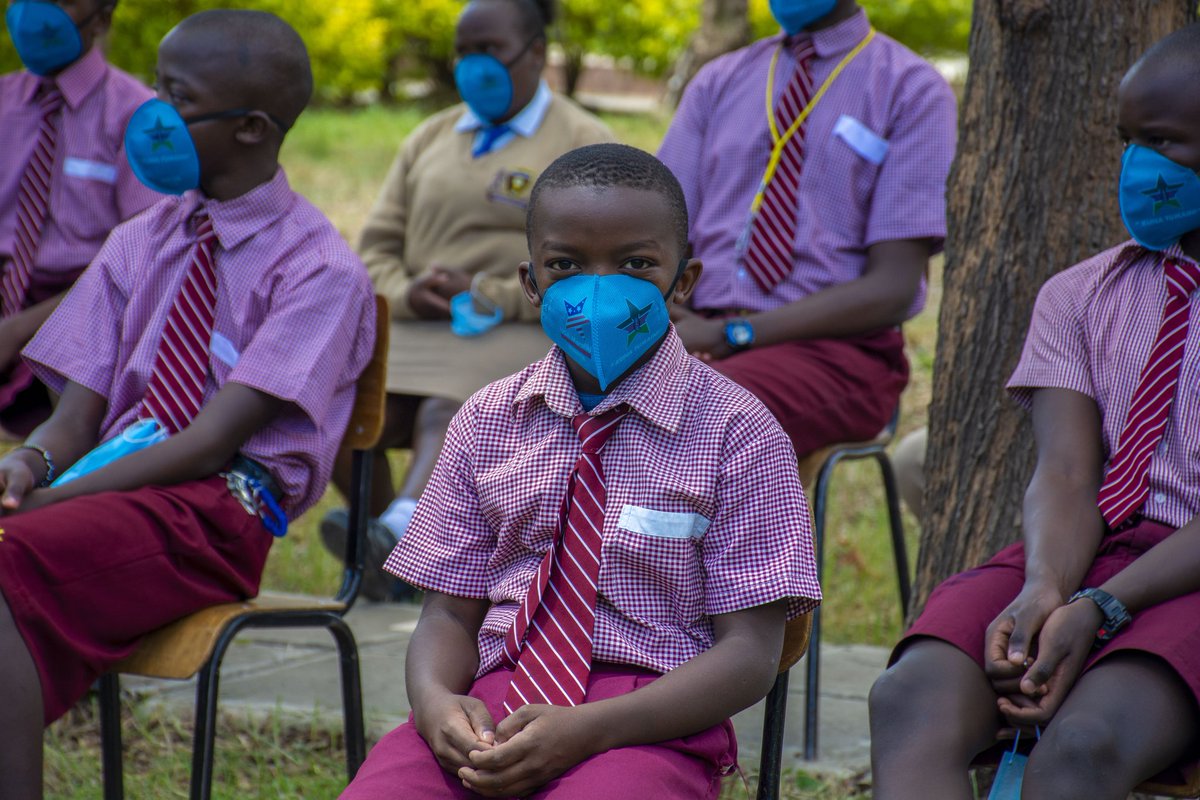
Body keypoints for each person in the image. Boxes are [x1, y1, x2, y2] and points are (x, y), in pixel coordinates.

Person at [338, 143, 820, 799]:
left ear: (683, 281)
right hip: (495, 700)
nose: (599, 288)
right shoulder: (486, 421)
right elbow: (448, 615)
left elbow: (750, 655)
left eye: (635, 264)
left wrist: (589, 729)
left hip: (651, 719)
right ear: (531, 282)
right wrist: (434, 705)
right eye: (566, 264)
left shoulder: (739, 433)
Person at [0, 10, 375, 798]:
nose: (150, 116)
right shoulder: (140, 239)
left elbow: (209, 444)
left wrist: (54, 503)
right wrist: (28, 468)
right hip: (116, 487)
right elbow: (77, 415)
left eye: (175, 97)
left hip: (213, 512)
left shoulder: (319, 271)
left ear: (250, 128)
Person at [869, 24, 1200, 799]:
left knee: (1083, 743)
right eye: (1127, 139)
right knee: (910, 695)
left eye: (1162, 140)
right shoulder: (1082, 294)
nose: (1135, 164)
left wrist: (1106, 607)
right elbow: (1067, 470)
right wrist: (1047, 589)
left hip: (1181, 574)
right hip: (1090, 551)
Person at [318, 0, 615, 603]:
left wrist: (494, 294)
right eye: (464, 51)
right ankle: (389, 552)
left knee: (440, 410)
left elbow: (596, 268)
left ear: (536, 53)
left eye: (492, 51)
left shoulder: (584, 143)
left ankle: (403, 536)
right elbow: (373, 249)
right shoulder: (429, 136)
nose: (475, 67)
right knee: (338, 407)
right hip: (418, 324)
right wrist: (408, 293)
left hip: (521, 325)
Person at [657, 0, 956, 458]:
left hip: (835, 352)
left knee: (694, 412)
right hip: (697, 330)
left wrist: (735, 335)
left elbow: (894, 287)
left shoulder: (911, 89)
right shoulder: (720, 80)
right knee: (574, 396)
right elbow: (659, 231)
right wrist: (674, 327)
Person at [0, 0, 159, 438]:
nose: (36, 13)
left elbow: (146, 262)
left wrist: (18, 331)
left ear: (103, 15)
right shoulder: (3, 103)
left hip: (88, 306)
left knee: (73, 370)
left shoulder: (138, 118)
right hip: (7, 293)